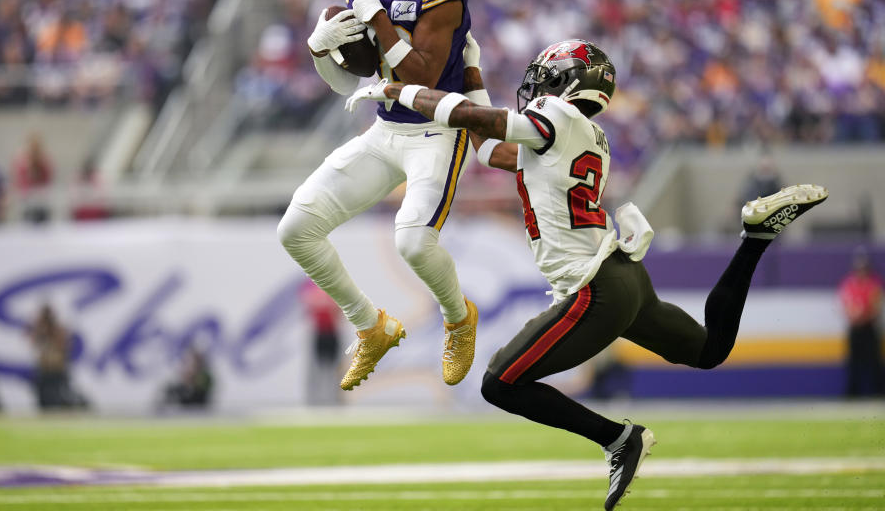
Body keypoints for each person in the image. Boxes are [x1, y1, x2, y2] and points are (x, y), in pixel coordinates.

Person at [353, 36, 828, 510]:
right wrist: (471, 68)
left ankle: (619, 440)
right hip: (622, 277)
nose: (535, 84)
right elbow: (486, 148)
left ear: (568, 78)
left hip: (594, 287)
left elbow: (483, 120)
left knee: (499, 383)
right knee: (708, 349)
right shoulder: (580, 133)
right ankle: (756, 239)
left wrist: (401, 93)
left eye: (545, 74)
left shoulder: (558, 117)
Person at [278, 0, 487, 391]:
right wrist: (323, 52)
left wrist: (375, 17)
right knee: (297, 229)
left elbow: (425, 78)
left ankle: (459, 319)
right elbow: (365, 73)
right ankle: (371, 326)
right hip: (388, 126)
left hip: (437, 129)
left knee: (414, 241)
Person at [838, 248, 884, 397]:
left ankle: (878, 391)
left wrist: (864, 317)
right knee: (853, 361)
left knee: (874, 360)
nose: (861, 272)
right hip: (855, 327)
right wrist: (854, 317)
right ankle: (852, 392)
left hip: (869, 326)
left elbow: (876, 306)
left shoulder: (874, 283)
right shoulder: (849, 284)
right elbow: (845, 305)